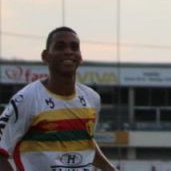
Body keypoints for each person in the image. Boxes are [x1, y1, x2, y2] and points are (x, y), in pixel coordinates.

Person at [0, 27, 118, 171]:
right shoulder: (26, 99)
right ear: (45, 56)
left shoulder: (92, 99)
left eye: (74, 47)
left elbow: (86, 141)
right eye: (60, 46)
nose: (68, 51)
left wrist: (109, 167)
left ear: (80, 57)